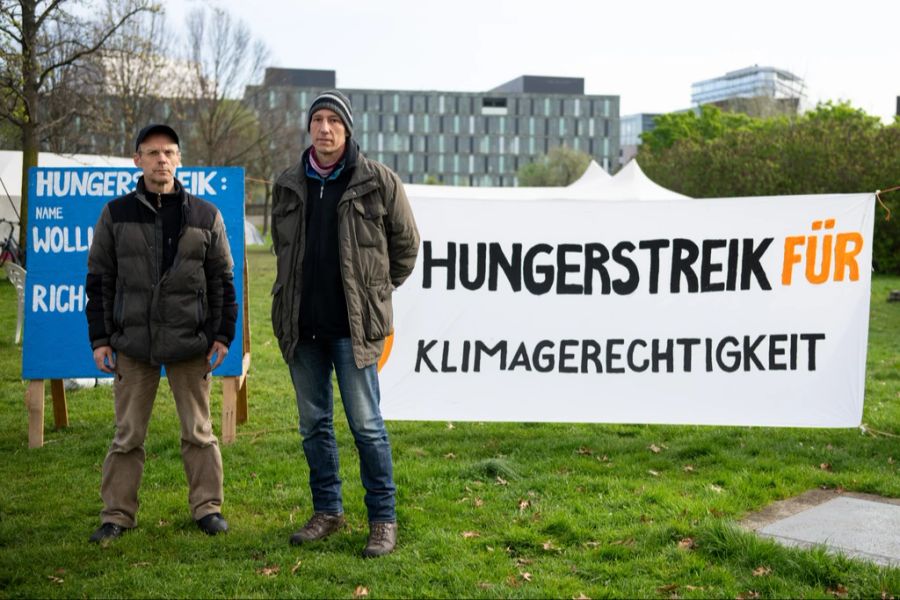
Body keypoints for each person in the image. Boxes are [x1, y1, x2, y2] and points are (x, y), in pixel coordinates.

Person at [271, 90, 420, 557]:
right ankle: (328, 512)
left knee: (367, 426)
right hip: (302, 329)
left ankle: (382, 520)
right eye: (318, 119)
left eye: (334, 120)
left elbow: (407, 247)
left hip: (353, 331)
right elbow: (282, 247)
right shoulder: (288, 183)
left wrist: (375, 292)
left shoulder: (378, 181)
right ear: (309, 127)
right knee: (314, 426)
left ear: (348, 129)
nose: (325, 128)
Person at [85, 124, 237, 543]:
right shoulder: (115, 214)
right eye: (152, 153)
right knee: (127, 435)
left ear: (179, 159)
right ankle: (116, 515)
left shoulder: (206, 215)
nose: (161, 160)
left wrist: (222, 335)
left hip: (190, 342)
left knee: (199, 432)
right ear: (137, 159)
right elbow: (99, 279)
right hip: (133, 343)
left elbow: (223, 279)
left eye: (169, 152)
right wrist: (100, 339)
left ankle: (208, 508)